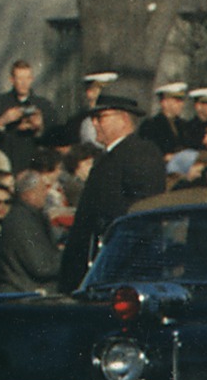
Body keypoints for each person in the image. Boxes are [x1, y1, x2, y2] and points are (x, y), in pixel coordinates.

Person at [59, 84, 169, 286]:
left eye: (101, 117)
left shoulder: (141, 153)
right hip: (96, 269)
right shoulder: (108, 156)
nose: (94, 123)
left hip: (121, 271)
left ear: (124, 118)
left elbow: (142, 213)